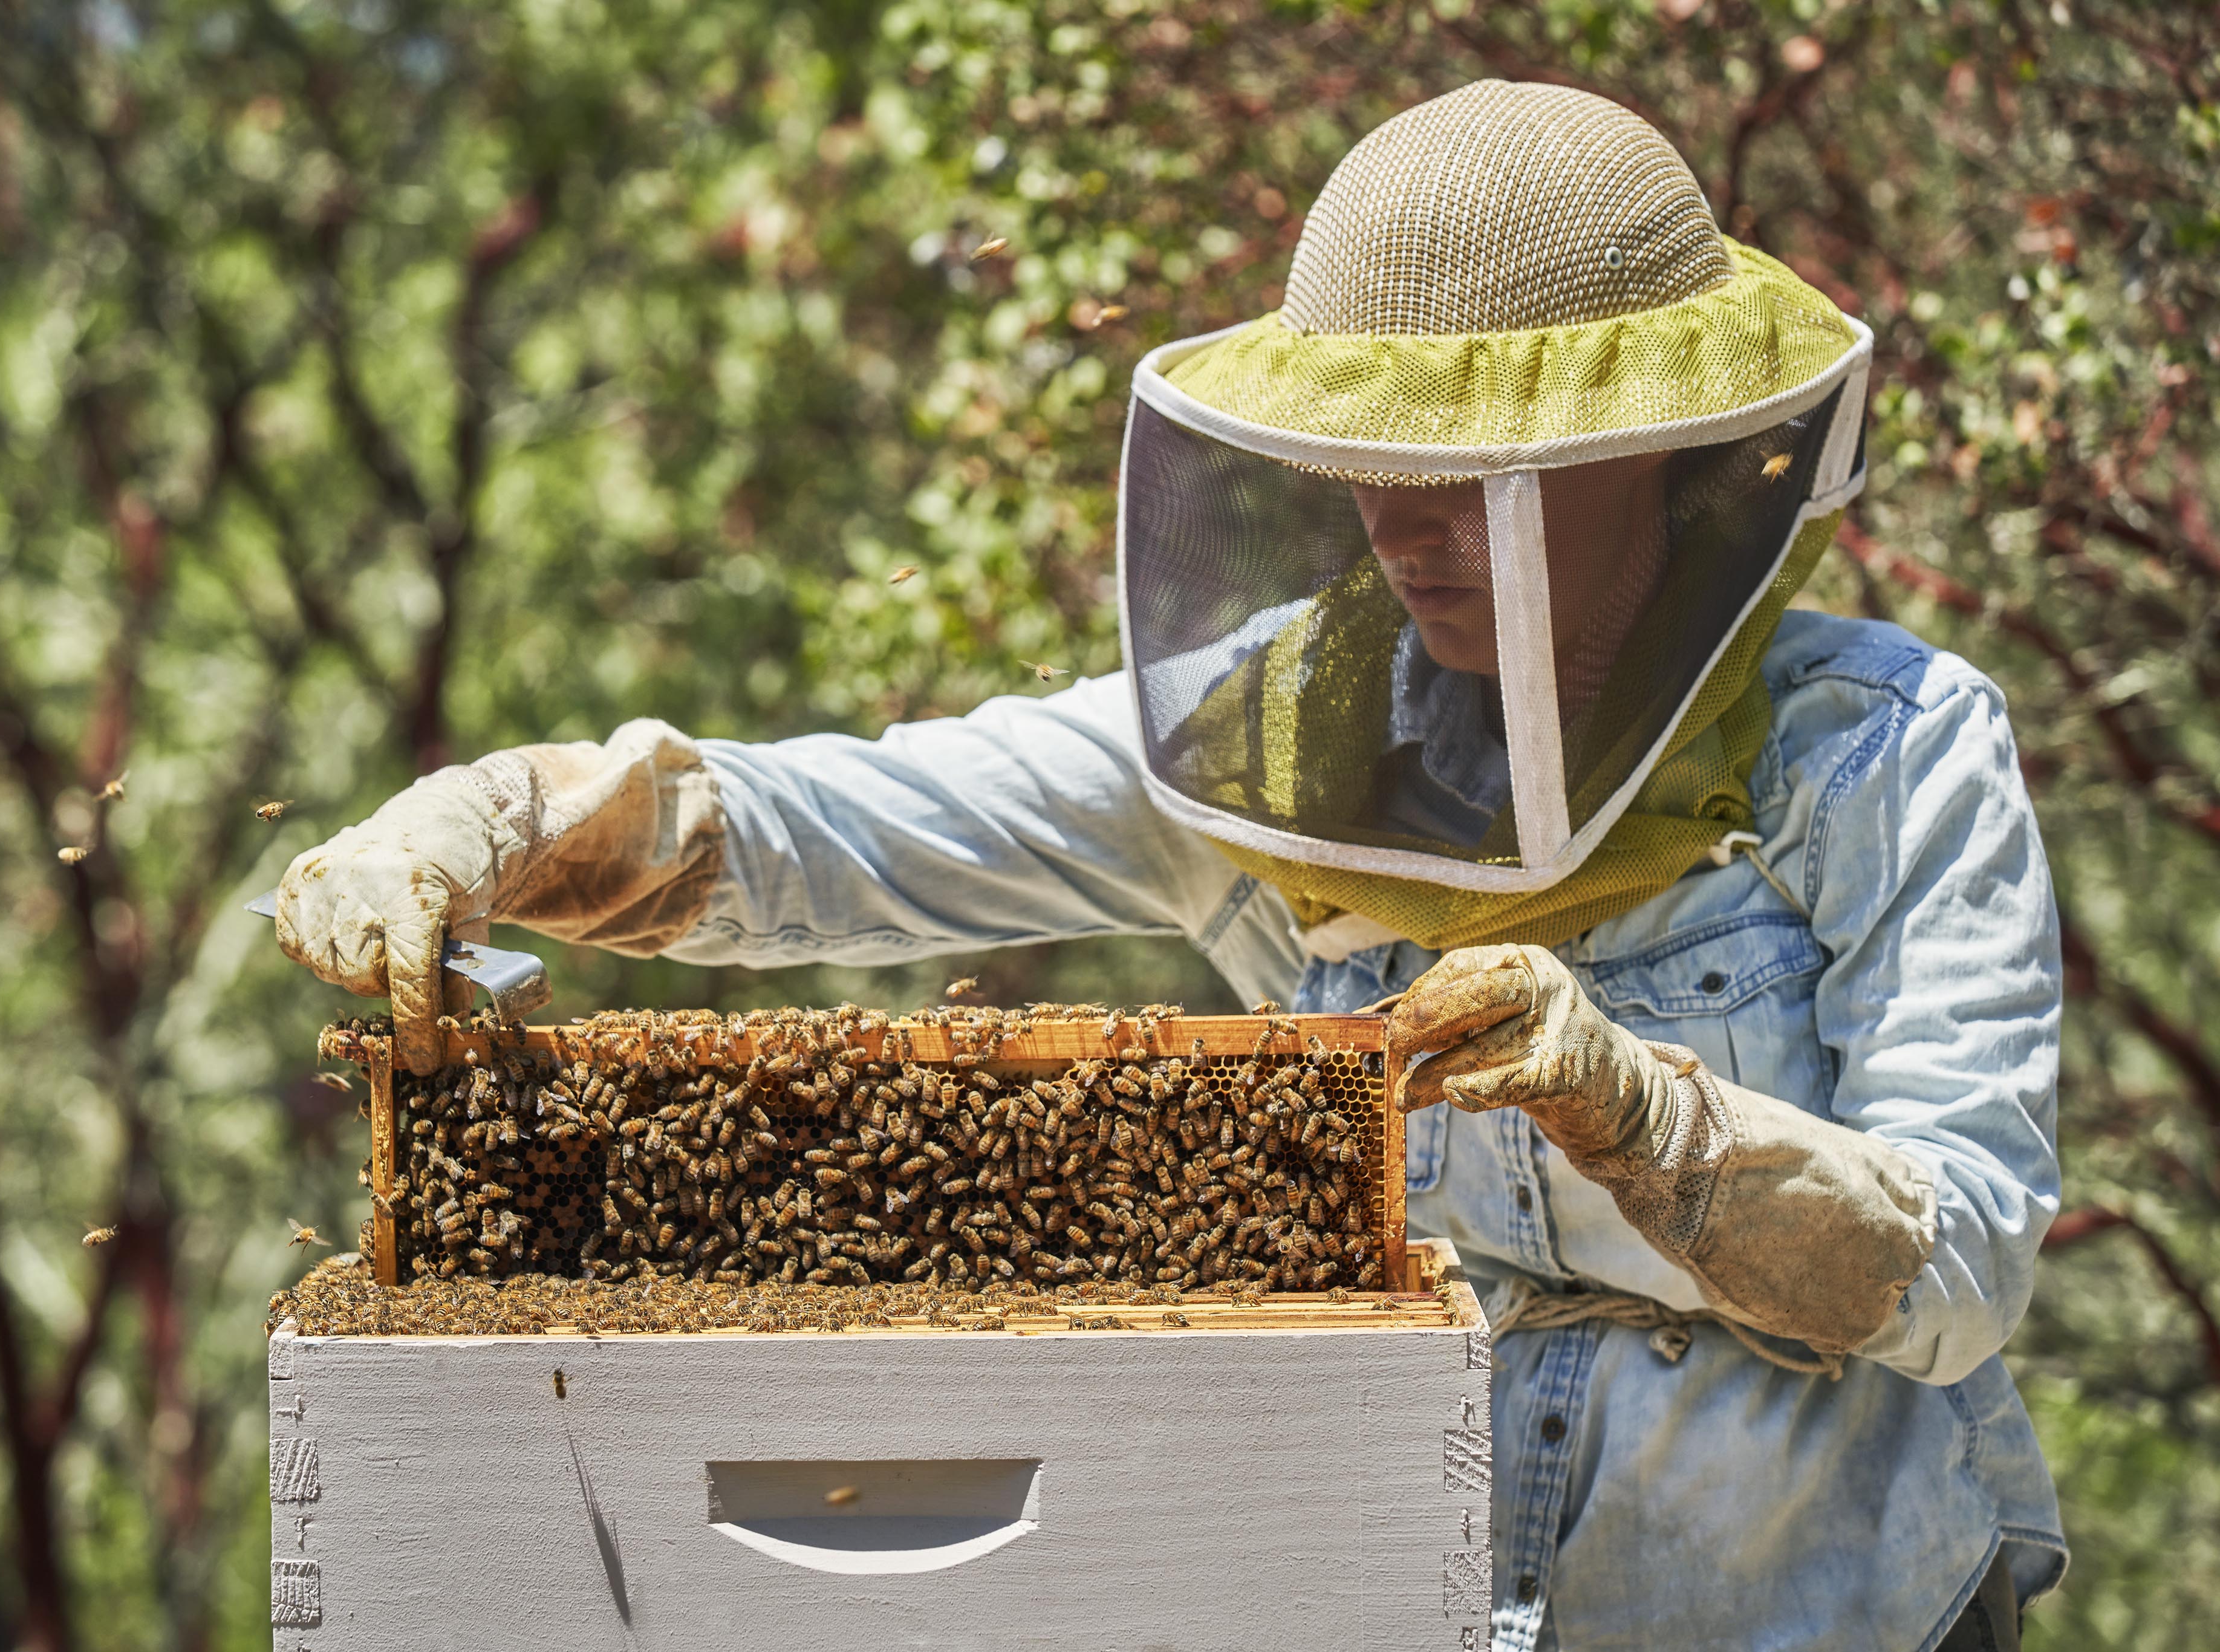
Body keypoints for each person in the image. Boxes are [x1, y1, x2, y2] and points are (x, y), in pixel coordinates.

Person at [273, 80, 2060, 1651]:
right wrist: (505, 816)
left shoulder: (1885, 751)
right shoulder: (1282, 733)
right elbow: (850, 825)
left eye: (1463, 470)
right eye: (1360, 455)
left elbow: (1964, 1264)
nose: (1391, 519)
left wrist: (1654, 1123)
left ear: (1652, 460)